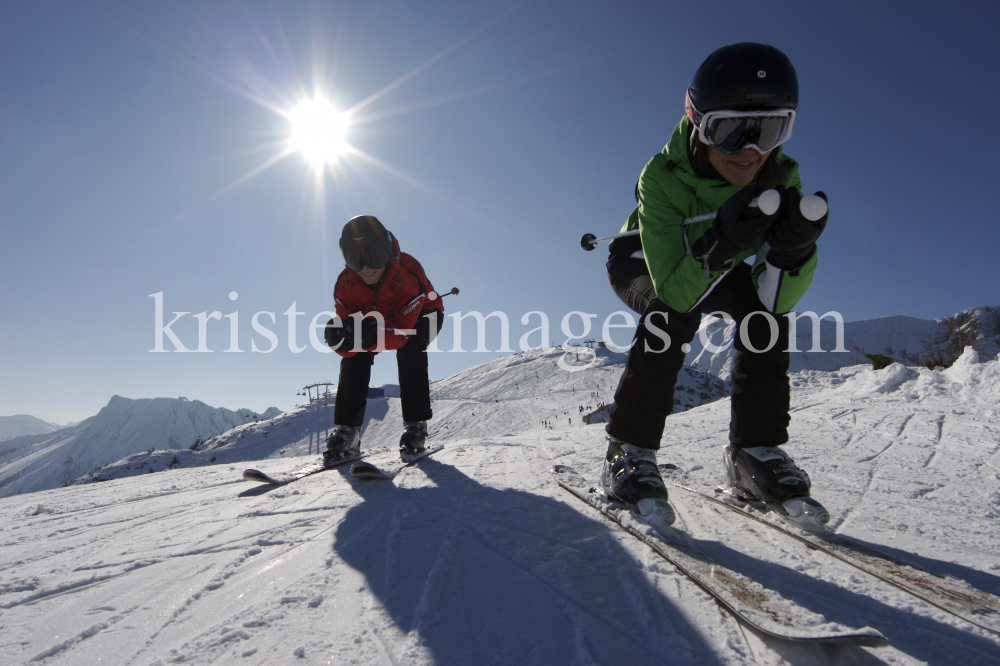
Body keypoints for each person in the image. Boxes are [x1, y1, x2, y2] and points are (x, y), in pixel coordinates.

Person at [602, 43, 829, 530]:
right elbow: (676, 290)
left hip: (720, 262)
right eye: (730, 131)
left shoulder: (782, 174)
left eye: (771, 129)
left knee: (763, 317)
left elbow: (775, 299)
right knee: (670, 315)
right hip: (644, 259)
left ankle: (754, 451)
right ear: (697, 124)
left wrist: (792, 255)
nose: (751, 150)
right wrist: (721, 244)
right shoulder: (660, 177)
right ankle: (628, 448)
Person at [323, 215, 445, 466]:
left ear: (388, 249)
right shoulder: (345, 285)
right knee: (356, 351)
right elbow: (351, 342)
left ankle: (416, 426)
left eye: (374, 256)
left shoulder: (409, 273)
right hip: (377, 320)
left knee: (412, 346)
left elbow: (402, 333)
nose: (366, 268)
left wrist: (367, 336)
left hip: (424, 315)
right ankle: (349, 432)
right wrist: (342, 343)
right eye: (354, 259)